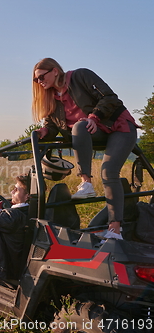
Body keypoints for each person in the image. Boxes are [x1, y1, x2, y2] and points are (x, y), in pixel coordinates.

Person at [32, 58, 139, 240]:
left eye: (42, 76)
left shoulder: (80, 76)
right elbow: (52, 126)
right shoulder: (52, 99)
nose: (40, 82)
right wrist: (43, 132)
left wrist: (94, 117)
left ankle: (115, 230)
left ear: (55, 71)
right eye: (36, 80)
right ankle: (86, 183)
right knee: (79, 127)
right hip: (92, 131)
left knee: (108, 172)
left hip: (117, 126)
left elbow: (110, 98)